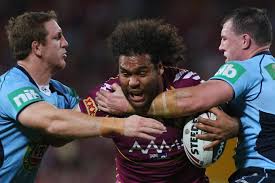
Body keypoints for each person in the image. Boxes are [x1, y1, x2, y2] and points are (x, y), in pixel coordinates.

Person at [96, 7, 275, 182]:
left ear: (245, 41)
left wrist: (130, 106)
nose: (221, 47)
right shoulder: (269, 72)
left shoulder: (245, 68)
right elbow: (264, 120)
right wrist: (238, 126)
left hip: (262, 173)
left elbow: (190, 100)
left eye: (224, 39)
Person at [0, 11, 166, 183]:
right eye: (58, 37)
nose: (66, 43)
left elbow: (60, 135)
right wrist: (121, 125)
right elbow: (52, 122)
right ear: (37, 48)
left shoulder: (63, 94)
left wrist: (129, 104)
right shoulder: (12, 86)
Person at [80, 18, 212, 183]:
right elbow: (68, 123)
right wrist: (114, 125)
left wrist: (129, 107)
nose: (133, 82)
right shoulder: (110, 94)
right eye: (126, 74)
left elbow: (195, 101)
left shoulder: (184, 82)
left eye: (142, 73)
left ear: (160, 68)